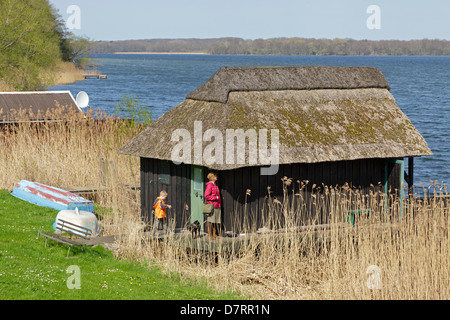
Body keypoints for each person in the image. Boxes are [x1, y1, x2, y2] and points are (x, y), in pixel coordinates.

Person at [204, 172, 221, 239]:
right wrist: (214, 198)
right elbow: (206, 195)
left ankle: (214, 234)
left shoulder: (215, 185)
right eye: (215, 176)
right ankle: (209, 235)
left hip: (217, 205)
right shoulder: (209, 185)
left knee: (216, 220)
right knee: (210, 220)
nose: (216, 177)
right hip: (212, 205)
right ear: (212, 177)